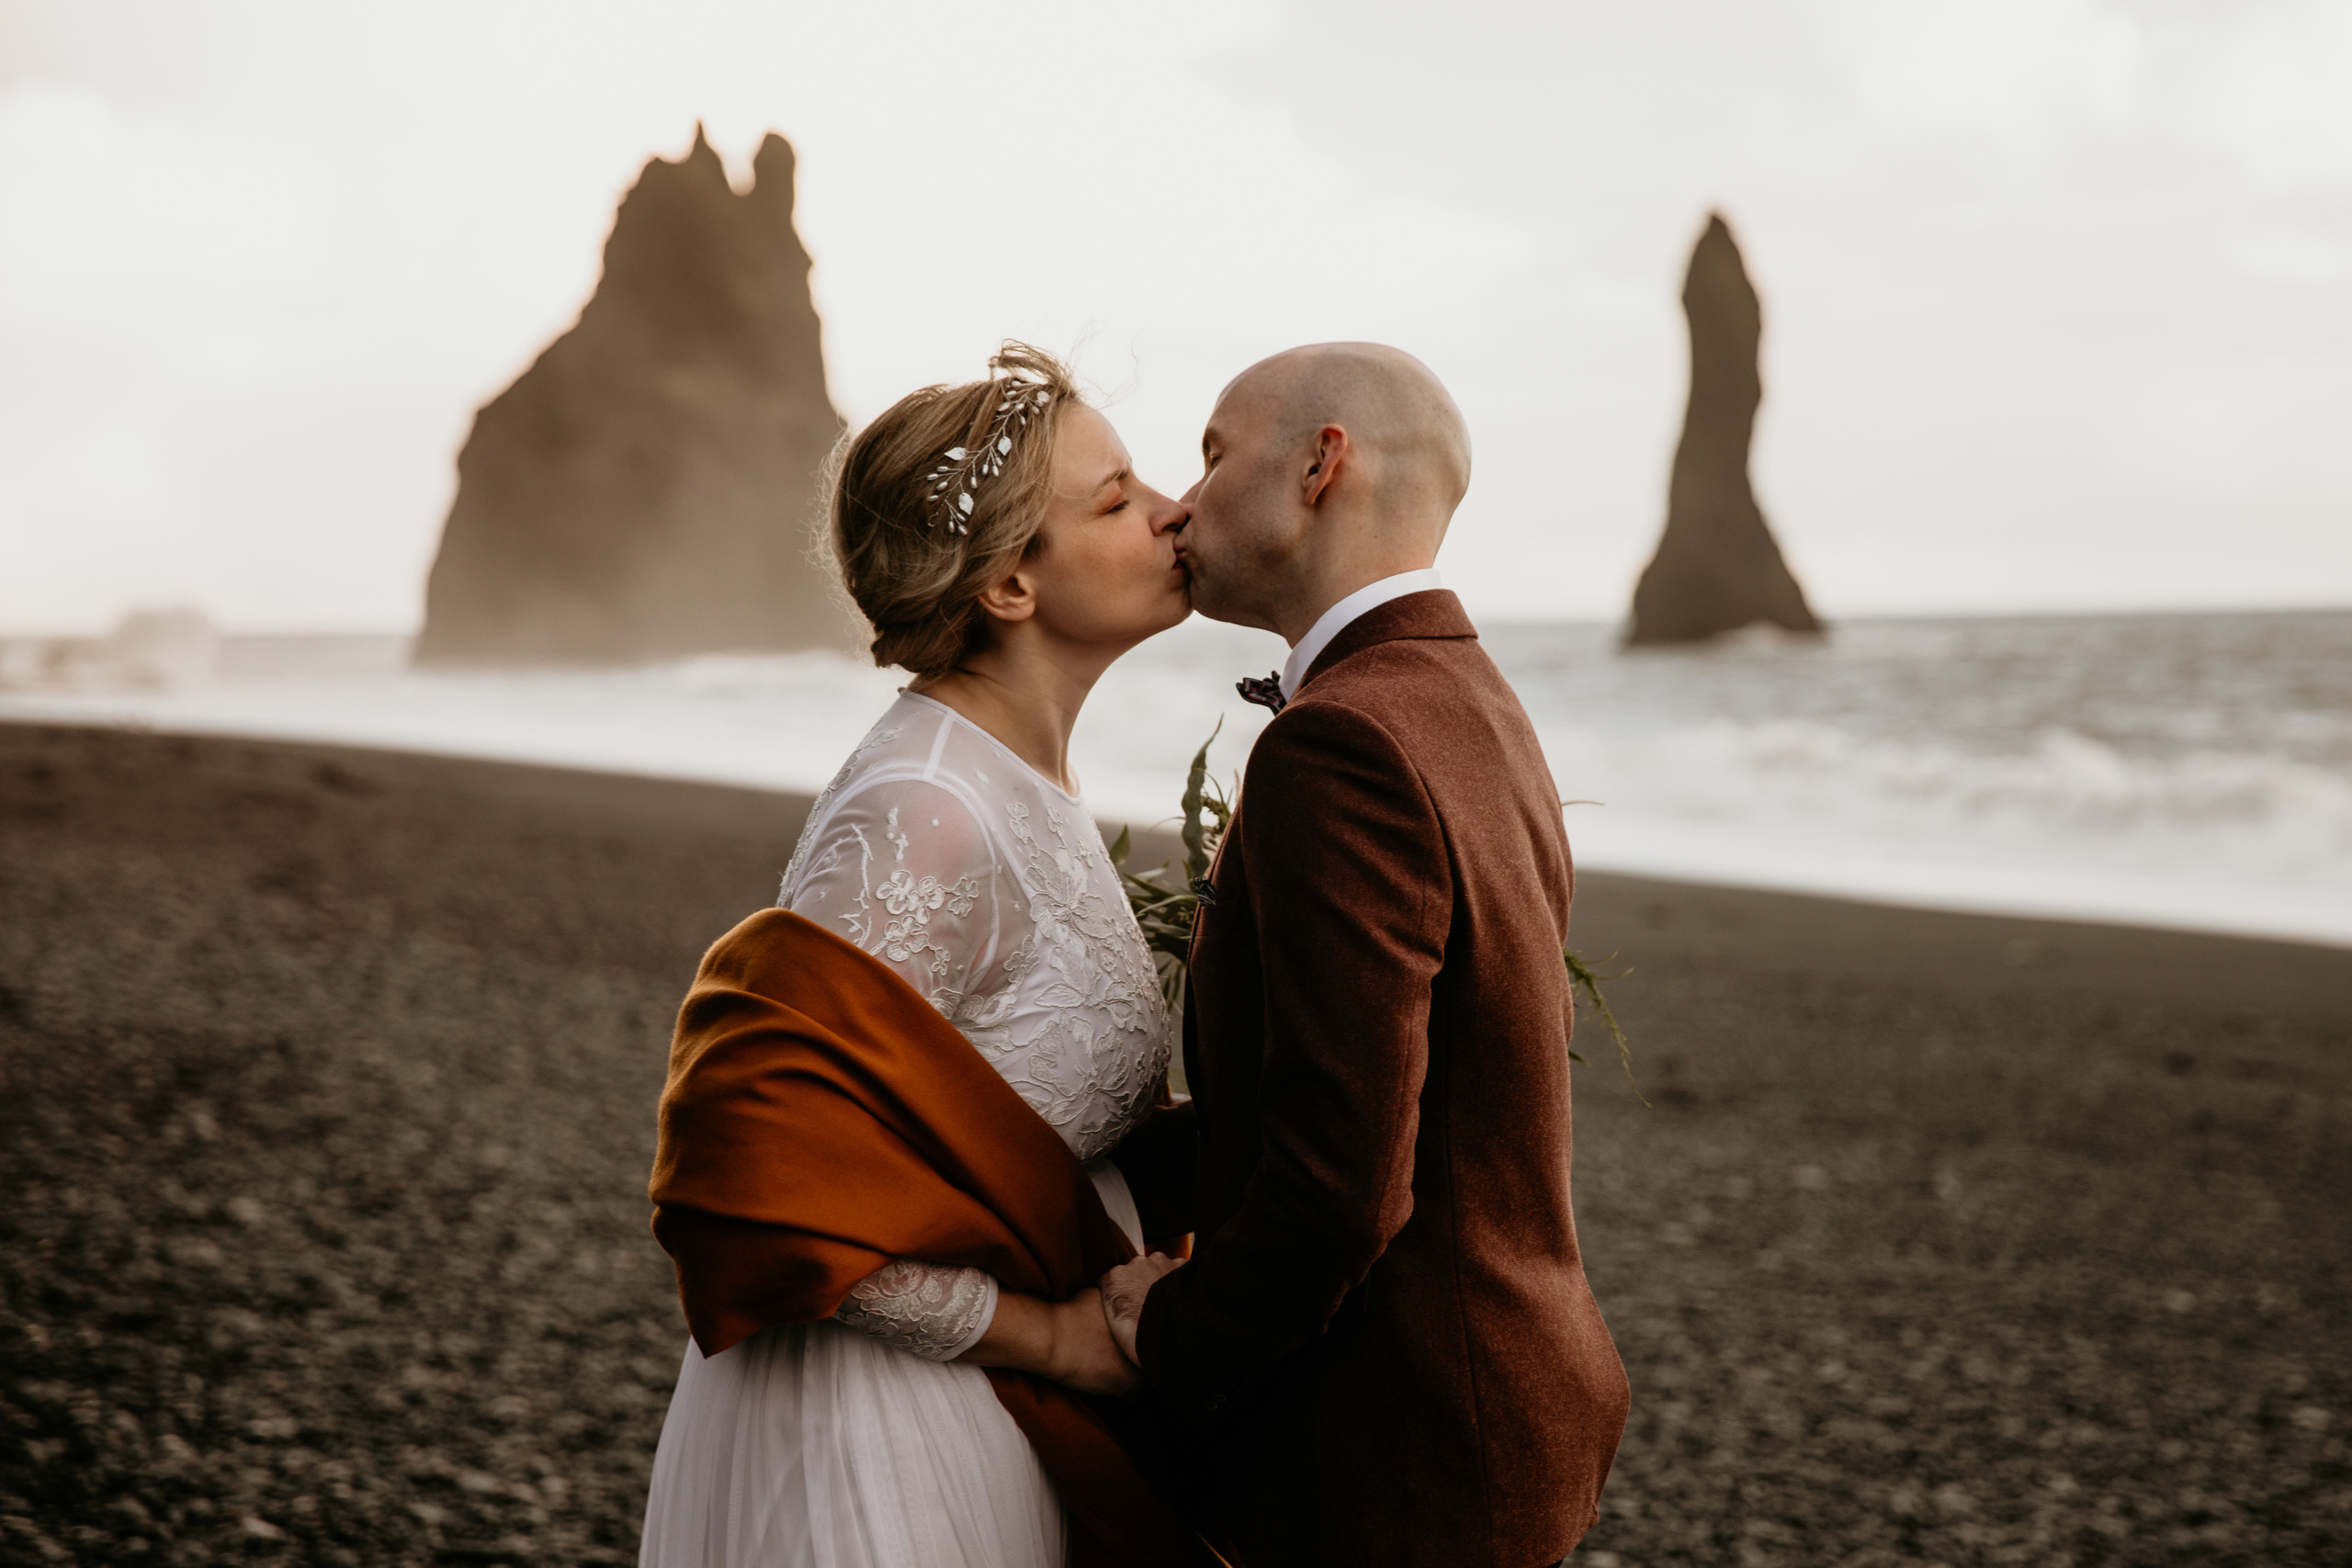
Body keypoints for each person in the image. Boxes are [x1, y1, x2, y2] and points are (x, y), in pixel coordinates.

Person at [639, 344, 1204, 1568]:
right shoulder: (924, 812)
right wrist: (1054, 1340)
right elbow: (759, 1179)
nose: (1176, 509)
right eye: (1115, 498)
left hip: (977, 1402)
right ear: (1008, 582)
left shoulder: (1019, 777)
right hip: (874, 1428)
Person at [1102, 344, 1632, 1568]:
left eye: (1214, 453)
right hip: (1509, 1395)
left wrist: (1166, 1330)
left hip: (1402, 1455)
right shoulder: (1473, 698)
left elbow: (1340, 1184)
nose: (1182, 502)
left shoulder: (1341, 741)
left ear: (1319, 463)